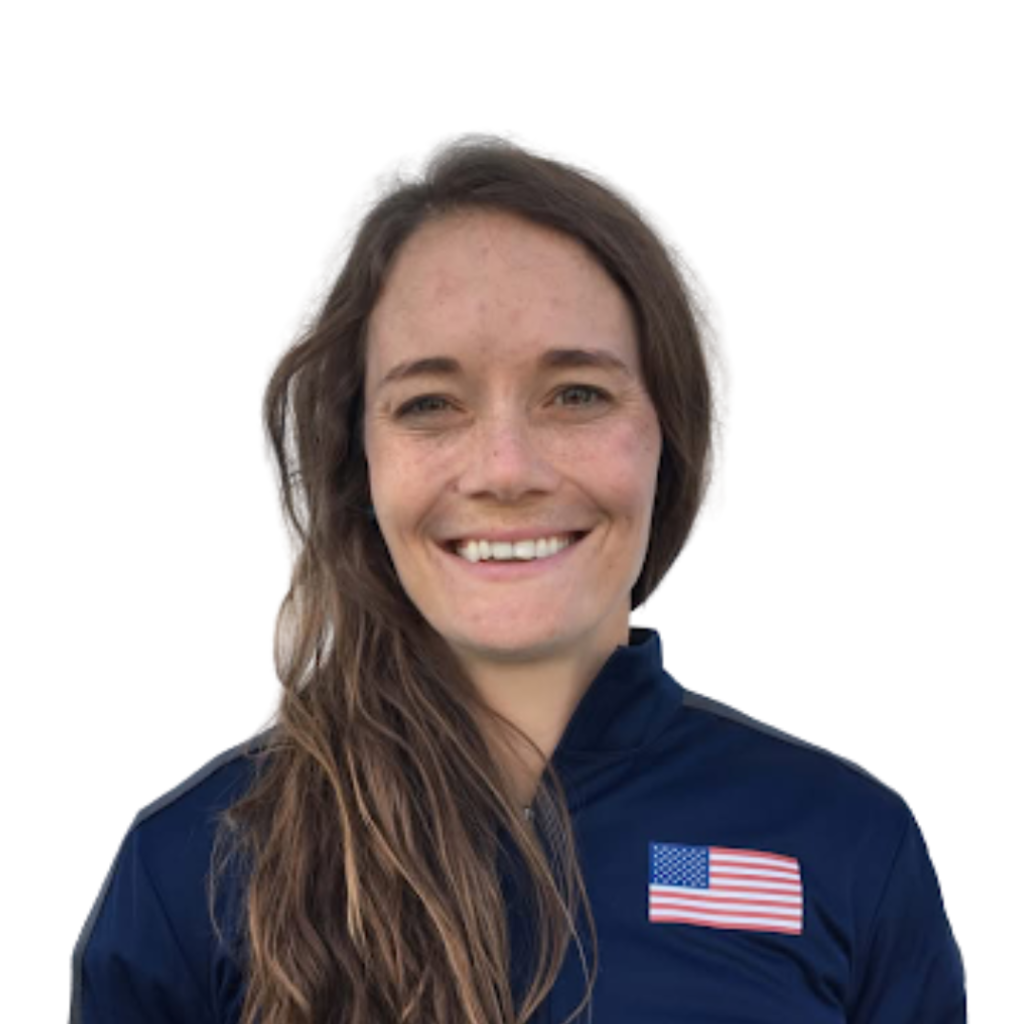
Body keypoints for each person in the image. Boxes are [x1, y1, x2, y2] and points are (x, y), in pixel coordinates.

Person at [70, 137, 966, 1024]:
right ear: (359, 463)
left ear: (668, 438)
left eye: (576, 394)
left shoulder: (844, 845)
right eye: (430, 405)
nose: (505, 469)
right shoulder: (192, 870)